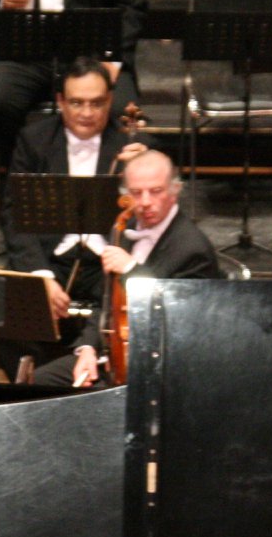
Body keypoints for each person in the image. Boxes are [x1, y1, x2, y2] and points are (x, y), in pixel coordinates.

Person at [0, 58, 150, 381]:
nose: (87, 112)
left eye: (97, 103)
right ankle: (37, 390)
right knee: (10, 316)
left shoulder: (131, 147)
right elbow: (14, 214)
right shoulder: (33, 140)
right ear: (60, 101)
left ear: (110, 101)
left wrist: (136, 174)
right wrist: (40, 276)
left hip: (105, 262)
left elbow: (146, 220)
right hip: (52, 259)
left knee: (124, 308)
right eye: (77, 103)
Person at [36, 149, 224, 389]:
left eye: (156, 191)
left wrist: (132, 269)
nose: (145, 202)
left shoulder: (192, 249)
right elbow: (105, 305)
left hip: (161, 367)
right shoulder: (123, 229)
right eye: (136, 193)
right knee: (40, 383)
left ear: (174, 191)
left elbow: (181, 321)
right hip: (114, 356)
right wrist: (88, 350)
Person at [0, 0, 148, 161]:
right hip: (21, 50)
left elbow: (132, 5)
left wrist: (112, 58)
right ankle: (28, 165)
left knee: (120, 112)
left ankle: (95, 177)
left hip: (93, 52)